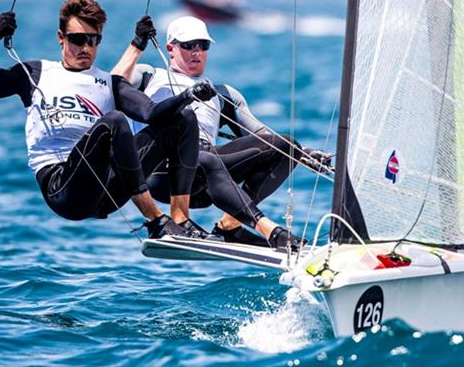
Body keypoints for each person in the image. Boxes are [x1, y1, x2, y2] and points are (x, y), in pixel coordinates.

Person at [0, 0, 215, 238]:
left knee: (183, 118)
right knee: (114, 121)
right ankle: (156, 220)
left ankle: (180, 219)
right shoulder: (35, 73)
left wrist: (187, 96)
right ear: (61, 37)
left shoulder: (109, 83)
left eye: (94, 40)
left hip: (107, 191)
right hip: (63, 190)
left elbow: (152, 113)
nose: (86, 48)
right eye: (78, 39)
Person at [111, 16, 331, 249]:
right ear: (170, 48)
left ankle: (230, 227)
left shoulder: (223, 94)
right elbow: (114, 84)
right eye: (188, 45)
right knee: (204, 159)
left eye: (202, 46)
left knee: (287, 147)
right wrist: (137, 44)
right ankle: (271, 231)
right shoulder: (149, 76)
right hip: (162, 174)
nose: (196, 52)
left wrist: (305, 154)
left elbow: (262, 135)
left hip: (206, 175)